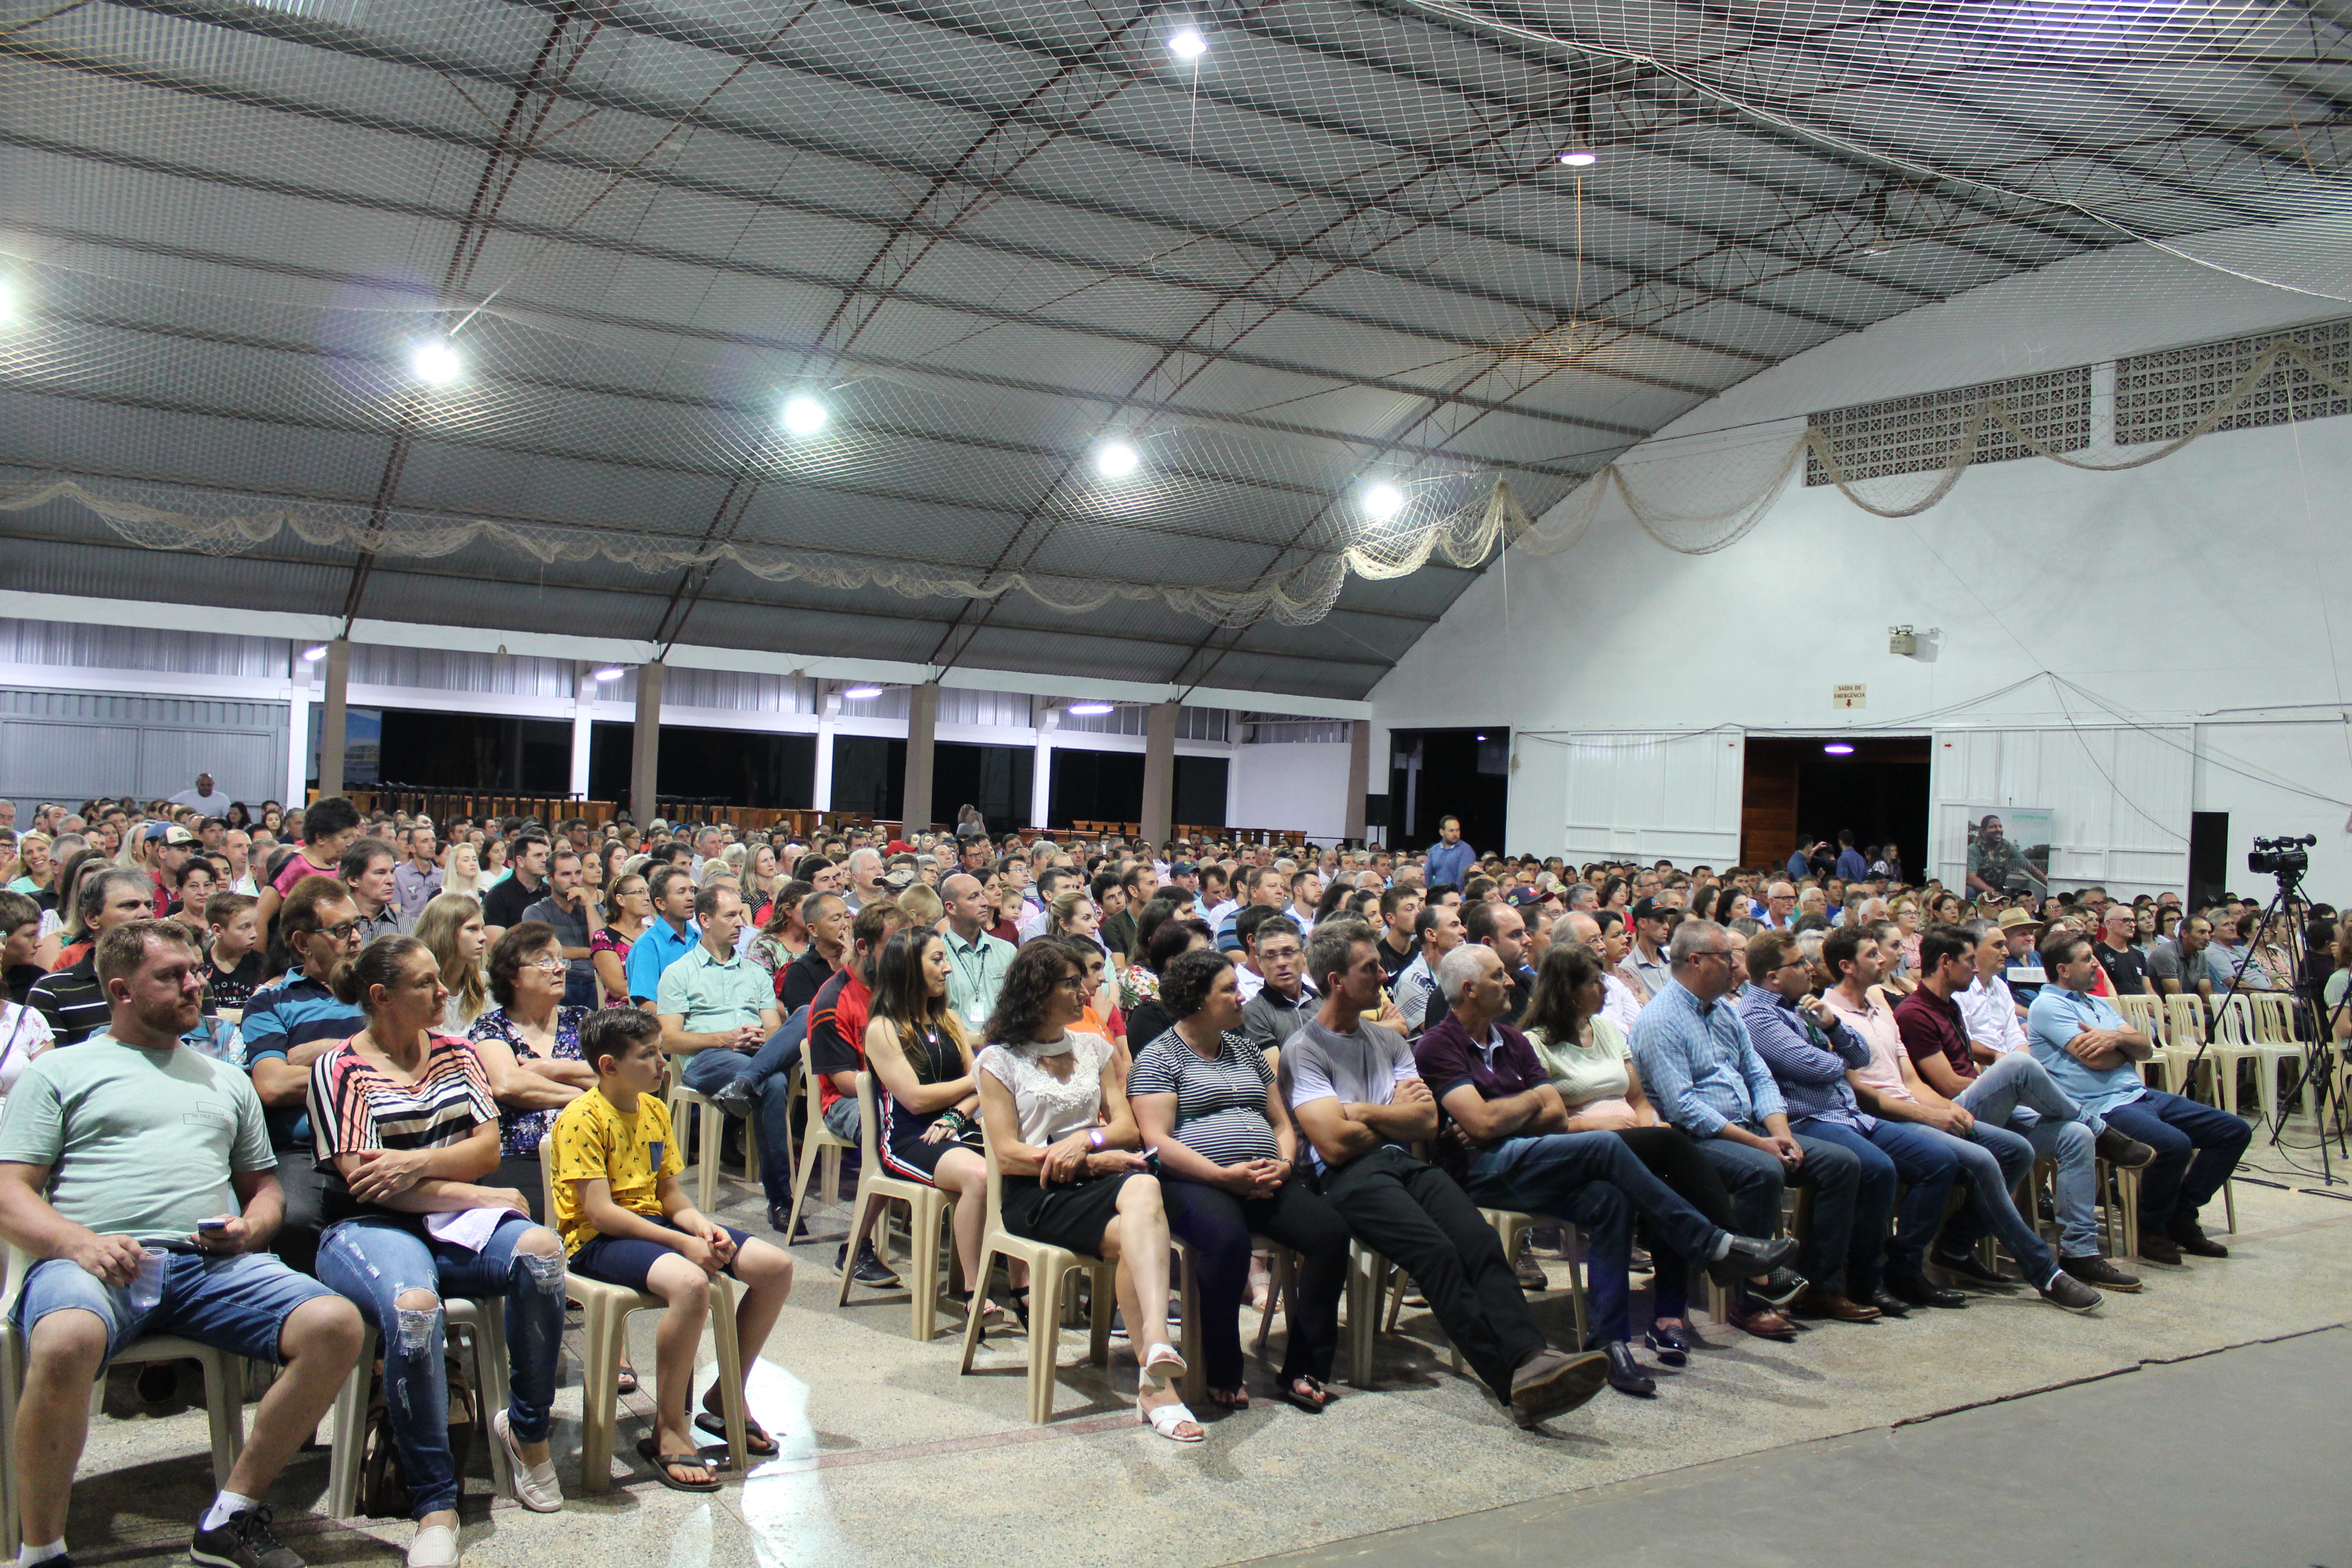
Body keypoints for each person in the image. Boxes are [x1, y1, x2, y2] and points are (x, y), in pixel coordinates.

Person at [0, 921, 365, 1568]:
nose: (194, 984)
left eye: (195, 970)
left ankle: (230, 1517)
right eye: (171, 976)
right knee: (64, 1340)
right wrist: (76, 1244)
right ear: (120, 990)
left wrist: (252, 1229)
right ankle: (42, 1550)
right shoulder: (59, 1071)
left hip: (207, 1264)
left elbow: (265, 1189)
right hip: (94, 1262)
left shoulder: (224, 1080)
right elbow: (10, 1194)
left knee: (335, 1324)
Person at [1418, 944, 1799, 1396]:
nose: (1510, 982)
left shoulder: (1513, 1041)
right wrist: (1521, 1107)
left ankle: (1610, 1343)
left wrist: (1503, 1111)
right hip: (1481, 1173)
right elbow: (1481, 1125)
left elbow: (1555, 1114)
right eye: (1499, 976)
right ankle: (1711, 1244)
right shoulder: (1438, 1045)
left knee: (1611, 1199)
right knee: (1604, 1144)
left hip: (1528, 1158)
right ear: (1469, 990)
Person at [1281, 918, 1610, 1427]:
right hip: (1343, 1179)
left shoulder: (1389, 1042)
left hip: (1401, 1162)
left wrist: (1365, 1112)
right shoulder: (1305, 1049)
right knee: (1435, 1253)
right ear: (1336, 982)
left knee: (1477, 1239)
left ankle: (1533, 1356)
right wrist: (1392, 1112)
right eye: (1370, 969)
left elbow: (1429, 1119)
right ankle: (1513, 1380)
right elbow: (1333, 1143)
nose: (1384, 977)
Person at [307, 937, 570, 1566]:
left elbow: (485, 1150)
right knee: (417, 1307)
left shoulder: (457, 1053)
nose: (444, 993)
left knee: (540, 1253)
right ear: (382, 998)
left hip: (455, 1218)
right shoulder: (340, 1067)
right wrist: (476, 1195)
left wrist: (419, 1165)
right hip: (368, 1227)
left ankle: (527, 1432)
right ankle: (435, 1501)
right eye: (426, 984)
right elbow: (368, 1184)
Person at [552, 1008, 795, 1490]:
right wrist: (681, 1243)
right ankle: (669, 1427)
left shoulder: (656, 1110)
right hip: (598, 1242)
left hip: (655, 1226)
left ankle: (727, 1396)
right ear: (609, 1066)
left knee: (774, 1266)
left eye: (661, 1052)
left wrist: (701, 1228)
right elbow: (600, 1213)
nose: (663, 1063)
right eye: (648, 1055)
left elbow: (671, 1196)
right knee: (689, 1284)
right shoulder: (581, 1118)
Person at [975, 940, 1198, 1441]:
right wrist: (1091, 1158)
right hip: (1035, 1193)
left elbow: (1125, 1129)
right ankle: (1158, 1368)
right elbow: (1008, 1153)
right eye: (1072, 982)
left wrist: (1086, 1141)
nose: (1086, 989)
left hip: (1098, 1181)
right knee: (1142, 1205)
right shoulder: (999, 1060)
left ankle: (1156, 1369)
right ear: (1038, 991)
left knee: (1138, 1206)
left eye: (1084, 980)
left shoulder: (1093, 1049)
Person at [1129, 946, 1351, 1412]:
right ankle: (1223, 1366)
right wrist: (1221, 1175)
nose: (1240, 998)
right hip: (1194, 1182)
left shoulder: (1246, 1048)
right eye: (1228, 990)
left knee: (1330, 1233)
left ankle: (1305, 1368)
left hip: (1266, 1178)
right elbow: (1157, 1141)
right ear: (1196, 1000)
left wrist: (1286, 1165)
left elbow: (1281, 1123)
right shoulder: (1159, 1057)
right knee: (1227, 1241)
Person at [1518, 942, 1759, 1362]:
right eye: (1596, 982)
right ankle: (1724, 1250)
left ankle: (1670, 1318)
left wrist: (1649, 1120)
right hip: (1580, 1147)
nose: (1606, 990)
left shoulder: (1609, 1032)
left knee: (1670, 1170)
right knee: (1672, 1146)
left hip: (1635, 1142)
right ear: (1568, 990)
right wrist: (1600, 1124)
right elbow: (1543, 1120)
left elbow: (1640, 1098)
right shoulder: (1533, 1044)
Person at [1630, 920, 1865, 1342]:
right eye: (1727, 958)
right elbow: (1685, 1109)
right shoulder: (1660, 1019)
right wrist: (1762, 1143)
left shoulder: (1724, 1011)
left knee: (1842, 1163)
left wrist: (1781, 1132)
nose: (1737, 967)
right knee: (1763, 1170)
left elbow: (1759, 1076)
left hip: (1753, 1127)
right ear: (1697, 961)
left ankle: (1818, 1287)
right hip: (1695, 1142)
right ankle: (1749, 1298)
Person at [1897, 924, 2147, 1293]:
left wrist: (2005, 1075)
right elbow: (1948, 1085)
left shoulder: (1949, 1004)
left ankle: (2080, 1251)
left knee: (2074, 1136)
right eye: (1972, 959)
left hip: (1987, 1106)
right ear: (1947, 963)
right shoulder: (1915, 1012)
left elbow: (1992, 1048)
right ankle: (2097, 1126)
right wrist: (2008, 1084)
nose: (1981, 965)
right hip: (1950, 1113)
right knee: (2020, 1069)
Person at [2029, 930, 2250, 1266]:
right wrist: (2124, 1046)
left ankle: (2182, 1215)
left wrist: (2115, 1039)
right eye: (2087, 959)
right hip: (2100, 1107)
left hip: (2138, 1095)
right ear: (2063, 969)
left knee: (2234, 1130)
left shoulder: (2097, 1004)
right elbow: (2097, 1060)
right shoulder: (2048, 1006)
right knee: (2173, 1145)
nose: (2096, 965)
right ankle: (2152, 1228)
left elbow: (2146, 1046)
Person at [855, 928, 992, 1320]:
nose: (947, 968)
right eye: (936, 960)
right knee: (980, 1177)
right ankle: (974, 1292)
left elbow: (982, 1092)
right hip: (908, 1138)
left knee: (1017, 1166)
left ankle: (1024, 1287)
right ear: (908, 967)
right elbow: (914, 1099)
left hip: (955, 1127)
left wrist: (959, 1112)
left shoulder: (948, 1018)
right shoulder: (883, 1028)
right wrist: (981, 1078)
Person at [466, 924, 595, 1217]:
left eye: (561, 959)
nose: (559, 969)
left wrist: (551, 1067)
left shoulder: (582, 1020)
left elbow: (615, 1076)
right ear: (513, 976)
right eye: (545, 960)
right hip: (520, 1154)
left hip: (589, 1150)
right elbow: (508, 1084)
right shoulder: (491, 1027)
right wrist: (580, 1094)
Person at [654, 884, 779, 1066]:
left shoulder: (755, 972)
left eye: (740, 914)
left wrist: (762, 1037)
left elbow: (773, 1026)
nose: (740, 923)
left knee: (801, 1018)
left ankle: (748, 1082)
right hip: (707, 1058)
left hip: (755, 1054)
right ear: (705, 920)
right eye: (730, 916)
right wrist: (723, 1040)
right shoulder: (679, 972)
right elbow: (668, 1040)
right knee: (770, 1078)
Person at [29, 868, 155, 1046]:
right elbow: (55, 1068)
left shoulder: (183, 977)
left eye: (149, 905)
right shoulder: (53, 991)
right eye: (129, 905)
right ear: (92, 918)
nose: (146, 914)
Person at [255, 795, 360, 937]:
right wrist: (261, 959)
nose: (350, 844)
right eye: (345, 838)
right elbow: (260, 916)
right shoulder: (294, 866)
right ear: (321, 838)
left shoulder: (337, 868)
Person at [520, 847, 600, 1010]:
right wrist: (587, 953)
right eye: (566, 874)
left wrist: (589, 907)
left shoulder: (596, 910)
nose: (575, 880)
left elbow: (602, 946)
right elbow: (544, 952)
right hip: (560, 979)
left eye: (578, 873)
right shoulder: (536, 912)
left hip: (595, 980)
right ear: (550, 878)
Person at [939, 872, 1015, 1035]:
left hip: (1005, 1046)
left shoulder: (1007, 951)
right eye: (974, 897)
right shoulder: (936, 957)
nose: (985, 903)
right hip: (957, 1049)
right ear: (951, 908)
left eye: (983, 894)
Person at [413, 892, 490, 1033]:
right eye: (472, 929)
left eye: (482, 929)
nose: (483, 937)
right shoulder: (416, 990)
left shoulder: (485, 985)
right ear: (444, 933)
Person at [622, 865, 700, 1005]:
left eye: (692, 891)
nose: (690, 898)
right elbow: (646, 1005)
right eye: (681, 892)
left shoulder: (700, 939)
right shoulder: (647, 946)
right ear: (661, 904)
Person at [1240, 914, 1316, 1055]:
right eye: (1270, 956)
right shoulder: (1254, 1014)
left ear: (1304, 956)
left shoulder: (1323, 1001)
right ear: (1260, 963)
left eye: (1288, 953)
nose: (1281, 963)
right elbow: (1276, 1074)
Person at [1392, 901, 1464, 1035]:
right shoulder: (1412, 981)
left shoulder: (1467, 966)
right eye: (1454, 926)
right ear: (1431, 935)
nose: (1464, 931)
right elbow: (1438, 1031)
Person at [200, 890, 265, 1015]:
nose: (254, 934)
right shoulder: (200, 968)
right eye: (245, 927)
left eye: (255, 926)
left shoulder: (264, 965)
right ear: (218, 931)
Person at [480, 833, 549, 942]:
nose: (545, 860)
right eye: (538, 855)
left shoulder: (551, 892)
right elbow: (495, 948)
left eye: (547, 855)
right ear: (520, 861)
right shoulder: (497, 897)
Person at [1965, 814, 2045, 898]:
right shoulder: (1974, 849)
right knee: (1969, 891)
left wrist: (2048, 884)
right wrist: (1994, 893)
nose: (1998, 830)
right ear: (1983, 832)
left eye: (2000, 827)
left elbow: (2030, 868)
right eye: (1993, 827)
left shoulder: (2007, 847)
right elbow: (1971, 878)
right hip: (1980, 891)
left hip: (1999, 890)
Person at [342, 838, 405, 944]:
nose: (391, 880)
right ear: (354, 880)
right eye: (380, 873)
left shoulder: (410, 926)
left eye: (392, 872)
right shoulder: (337, 928)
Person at [2146, 914, 2215, 1001]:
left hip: (2188, 1007)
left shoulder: (2201, 955)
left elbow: (2207, 994)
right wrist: (2208, 1009)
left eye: (2209, 933)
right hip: (2163, 1008)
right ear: (2185, 934)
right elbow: (2175, 998)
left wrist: (2218, 1008)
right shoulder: (2166, 953)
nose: (2207, 937)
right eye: (2202, 932)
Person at [2093, 903, 2150, 996]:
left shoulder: (2139, 955)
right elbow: (2104, 991)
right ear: (2109, 923)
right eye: (2126, 920)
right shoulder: (2097, 954)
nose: (2132, 925)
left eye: (2133, 921)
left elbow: (2148, 990)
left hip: (2143, 1007)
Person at [392, 824, 442, 927]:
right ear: (412, 848)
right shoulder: (399, 875)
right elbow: (395, 913)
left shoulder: (443, 876)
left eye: (433, 840)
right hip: (408, 931)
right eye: (425, 841)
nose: (432, 846)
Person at [1425, 816, 1474, 894]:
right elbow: (1427, 874)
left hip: (1455, 896)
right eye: (1451, 831)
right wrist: (1425, 893)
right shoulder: (1434, 850)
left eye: (1458, 830)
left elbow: (1462, 878)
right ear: (1442, 832)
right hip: (1437, 895)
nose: (1455, 834)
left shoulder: (1466, 850)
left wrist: (1455, 896)